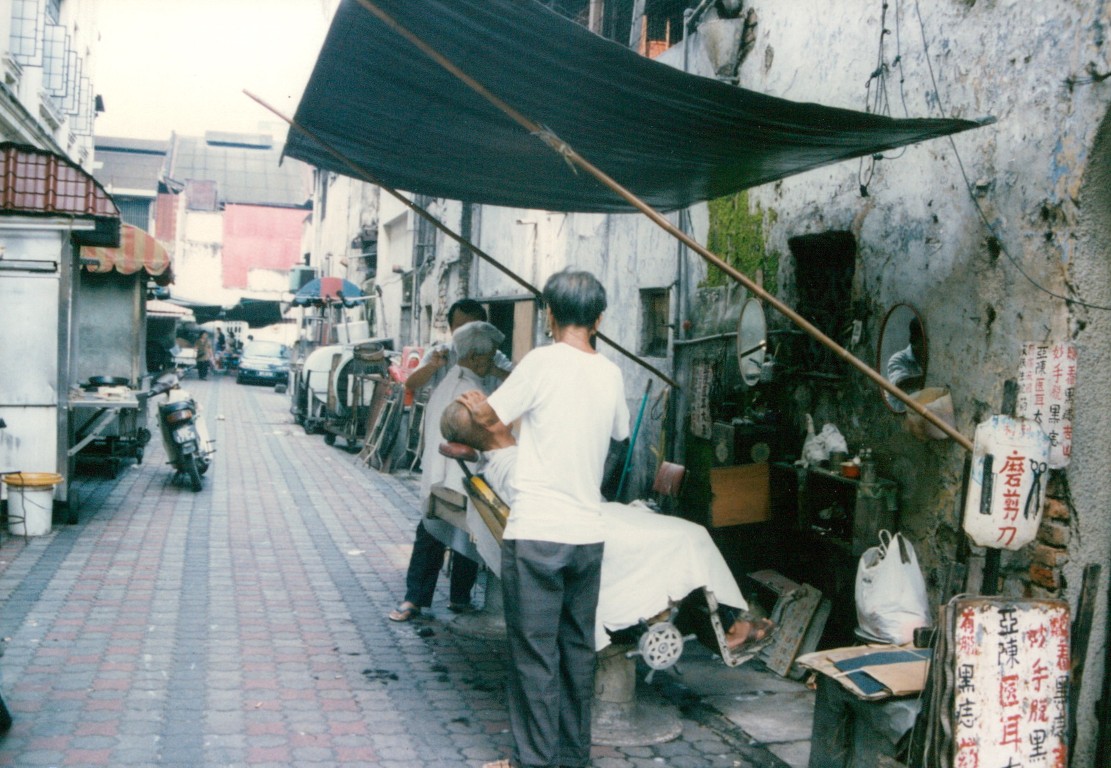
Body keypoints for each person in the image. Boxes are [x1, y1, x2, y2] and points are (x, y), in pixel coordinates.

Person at [442, 397, 775, 654]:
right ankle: (731, 626)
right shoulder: (514, 465)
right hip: (584, 532)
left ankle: (715, 619)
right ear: (488, 423)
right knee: (692, 535)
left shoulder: (501, 458)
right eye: (491, 406)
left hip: (582, 520)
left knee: (661, 525)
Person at [465, 269, 630, 768]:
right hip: (587, 537)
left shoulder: (540, 362)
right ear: (599, 319)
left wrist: (478, 408)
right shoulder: (611, 372)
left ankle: (536, 761)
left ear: (550, 316)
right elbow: (620, 432)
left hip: (537, 533)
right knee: (577, 655)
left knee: (534, 658)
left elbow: (488, 419)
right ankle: (573, 759)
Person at [388, 321, 507, 622]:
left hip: (443, 475)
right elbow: (411, 382)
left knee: (463, 535)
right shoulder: (465, 388)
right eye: (490, 355)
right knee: (452, 532)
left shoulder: (461, 380)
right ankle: (420, 598)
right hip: (458, 475)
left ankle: (457, 597)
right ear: (476, 356)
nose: (492, 361)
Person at [404, 298, 512, 394]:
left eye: (472, 328)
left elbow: (520, 383)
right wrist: (432, 366)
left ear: (483, 328)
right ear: (451, 329)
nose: (467, 334)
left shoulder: (495, 358)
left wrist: (494, 370)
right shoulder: (439, 354)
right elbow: (410, 384)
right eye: (461, 328)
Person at [885, 317, 925, 409]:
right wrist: (930, 377)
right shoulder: (898, 359)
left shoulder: (929, 358)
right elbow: (901, 383)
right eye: (923, 339)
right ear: (913, 338)